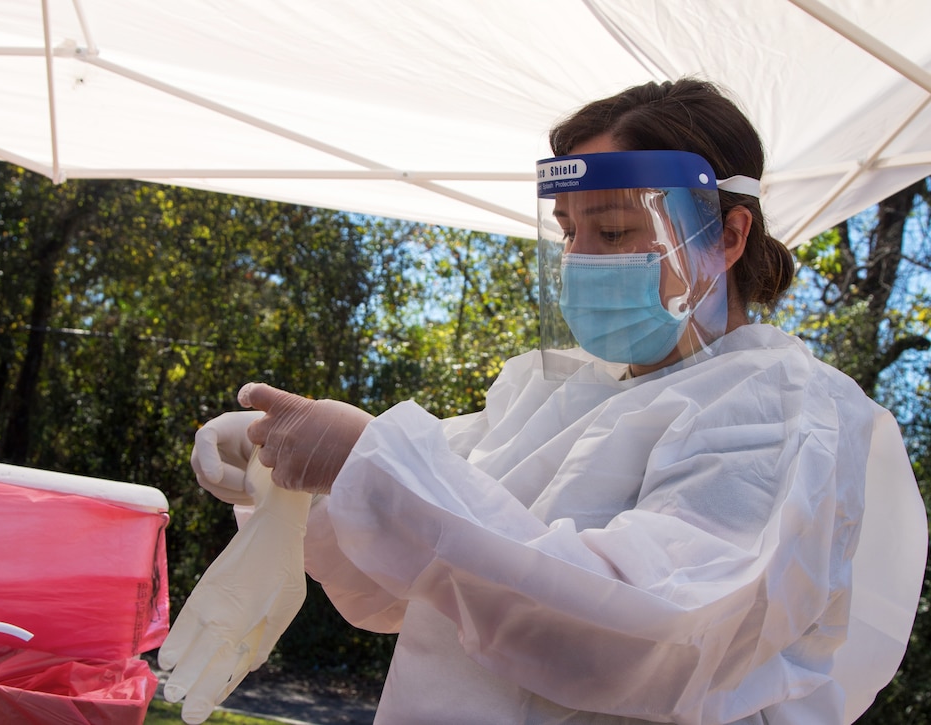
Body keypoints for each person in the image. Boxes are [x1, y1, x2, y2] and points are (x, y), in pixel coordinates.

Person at [183, 79, 924, 724]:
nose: (580, 260)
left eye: (613, 229)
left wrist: (367, 461)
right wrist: (289, 472)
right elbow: (413, 580)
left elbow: (654, 635)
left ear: (727, 235)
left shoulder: (784, 413)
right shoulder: (551, 394)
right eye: (569, 231)